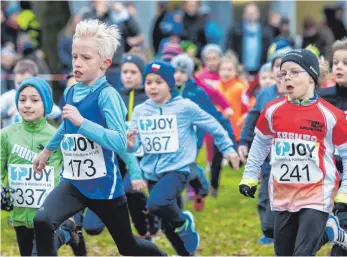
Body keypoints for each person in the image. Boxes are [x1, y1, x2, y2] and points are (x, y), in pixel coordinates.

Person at [31, 19, 166, 256]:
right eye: (74, 57)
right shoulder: (72, 91)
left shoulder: (108, 96)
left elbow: (119, 141)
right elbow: (66, 127)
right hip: (74, 182)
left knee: (128, 247)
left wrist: (83, 123)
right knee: (43, 220)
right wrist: (48, 151)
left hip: (105, 189)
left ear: (104, 63)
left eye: (85, 58)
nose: (77, 63)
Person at [239, 49, 347, 255]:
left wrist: (344, 191)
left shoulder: (332, 116)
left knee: (302, 253)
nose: (287, 76)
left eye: (295, 72)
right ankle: (329, 232)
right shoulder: (272, 110)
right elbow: (260, 144)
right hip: (283, 194)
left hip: (317, 194)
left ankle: (327, 229)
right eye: (283, 73)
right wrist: (249, 176)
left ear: (312, 78)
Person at [127, 60, 240, 255]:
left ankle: (183, 221)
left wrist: (228, 148)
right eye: (148, 82)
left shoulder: (185, 107)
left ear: (170, 84)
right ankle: (186, 253)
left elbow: (213, 125)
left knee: (155, 204)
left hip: (177, 169)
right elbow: (136, 146)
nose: (152, 87)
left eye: (158, 82)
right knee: (165, 222)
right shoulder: (140, 111)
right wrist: (131, 143)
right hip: (152, 172)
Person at [0, 77, 80, 256]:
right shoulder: (5, 136)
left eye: (34, 100)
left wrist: (69, 209)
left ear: (47, 105)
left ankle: (65, 230)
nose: (27, 105)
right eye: (22, 100)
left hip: (50, 215)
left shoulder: (58, 136)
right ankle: (67, 232)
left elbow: (72, 174)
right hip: (21, 215)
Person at [171, 53, 237, 205]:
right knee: (175, 168)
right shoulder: (168, 91)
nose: (178, 76)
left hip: (193, 136)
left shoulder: (198, 91)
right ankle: (181, 196)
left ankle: (199, 185)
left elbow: (213, 113)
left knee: (186, 164)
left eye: (182, 72)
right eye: (175, 71)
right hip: (172, 135)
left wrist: (225, 113)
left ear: (189, 73)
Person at [317, 38, 347, 256]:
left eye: (345, 63)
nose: (338, 67)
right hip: (331, 171)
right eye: (336, 62)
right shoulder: (322, 99)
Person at [0, 59, 62, 128]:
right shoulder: (9, 96)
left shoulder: (40, 97)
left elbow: (58, 113)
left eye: (27, 83)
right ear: (14, 78)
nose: (23, 88)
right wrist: (7, 114)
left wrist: (41, 108)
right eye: (19, 83)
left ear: (36, 79)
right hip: (10, 138)